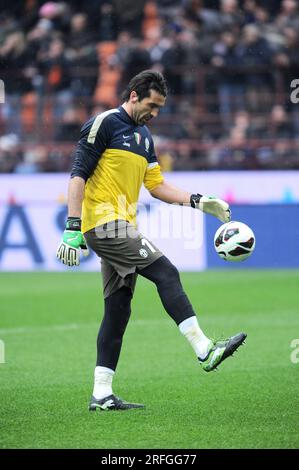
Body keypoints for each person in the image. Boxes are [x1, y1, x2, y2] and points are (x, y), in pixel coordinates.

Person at [56, 70, 247, 411]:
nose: (155, 113)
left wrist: (199, 201)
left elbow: (156, 187)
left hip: (121, 225)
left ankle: (101, 394)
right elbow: (77, 175)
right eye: (151, 105)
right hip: (104, 224)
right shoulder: (104, 124)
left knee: (118, 310)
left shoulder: (144, 137)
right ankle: (205, 349)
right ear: (132, 95)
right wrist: (72, 227)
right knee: (166, 272)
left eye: (159, 107)